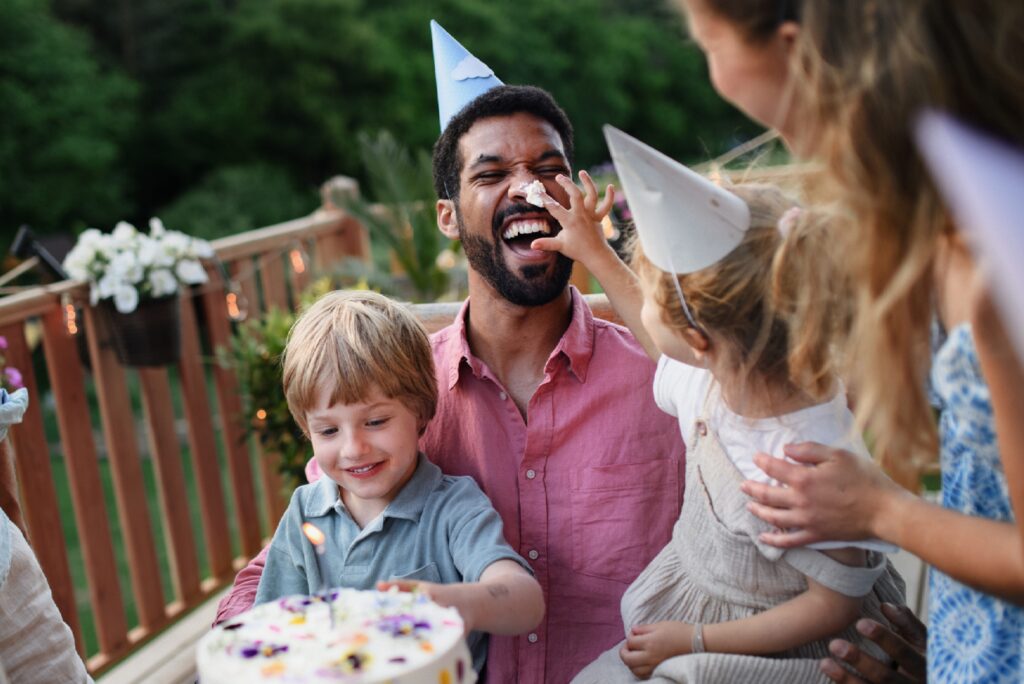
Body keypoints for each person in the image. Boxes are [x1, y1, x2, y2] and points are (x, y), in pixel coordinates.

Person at [217, 25, 686, 683]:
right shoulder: (393, 391)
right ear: (447, 217)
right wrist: (233, 644)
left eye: (548, 170)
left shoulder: (663, 381)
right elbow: (301, 544)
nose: (527, 191)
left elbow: (754, 516)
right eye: (491, 174)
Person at [690, 1, 1024, 682]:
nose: (712, 71)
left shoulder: (993, 263)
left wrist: (881, 510)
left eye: (708, 43)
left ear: (795, 53)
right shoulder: (940, 224)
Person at [533, 126, 903, 682]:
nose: (645, 303)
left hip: (776, 648)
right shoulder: (721, 374)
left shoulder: (805, 458)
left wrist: (698, 639)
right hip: (708, 602)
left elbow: (835, 604)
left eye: (657, 294)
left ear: (700, 338)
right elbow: (661, 340)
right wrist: (596, 251)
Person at [252, 290, 543, 673]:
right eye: (328, 431)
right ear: (307, 430)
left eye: (375, 422)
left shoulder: (453, 508)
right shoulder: (305, 514)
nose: (353, 448)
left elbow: (526, 601)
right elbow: (269, 633)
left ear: (421, 411)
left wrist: (456, 602)